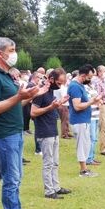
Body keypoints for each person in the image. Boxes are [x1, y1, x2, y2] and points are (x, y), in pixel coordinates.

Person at [0, 37, 45, 209]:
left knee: (16, 178)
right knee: (11, 178)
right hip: (4, 134)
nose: (14, 53)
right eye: (11, 49)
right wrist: (19, 96)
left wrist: (30, 96)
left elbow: (15, 103)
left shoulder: (6, 74)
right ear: (0, 53)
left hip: (15, 132)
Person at [30, 68, 71, 199]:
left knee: (55, 162)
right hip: (44, 131)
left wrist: (59, 104)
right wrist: (50, 107)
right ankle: (49, 191)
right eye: (59, 83)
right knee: (48, 163)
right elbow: (33, 112)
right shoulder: (41, 91)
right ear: (51, 79)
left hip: (53, 130)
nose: (61, 86)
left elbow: (50, 107)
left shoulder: (51, 90)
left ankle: (56, 187)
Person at [68, 64, 101, 177]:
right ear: (82, 75)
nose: (90, 80)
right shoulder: (75, 87)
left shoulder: (80, 85)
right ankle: (83, 170)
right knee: (82, 145)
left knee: (86, 144)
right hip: (79, 120)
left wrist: (93, 100)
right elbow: (77, 106)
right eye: (89, 77)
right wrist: (91, 102)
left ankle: (85, 168)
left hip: (84, 120)